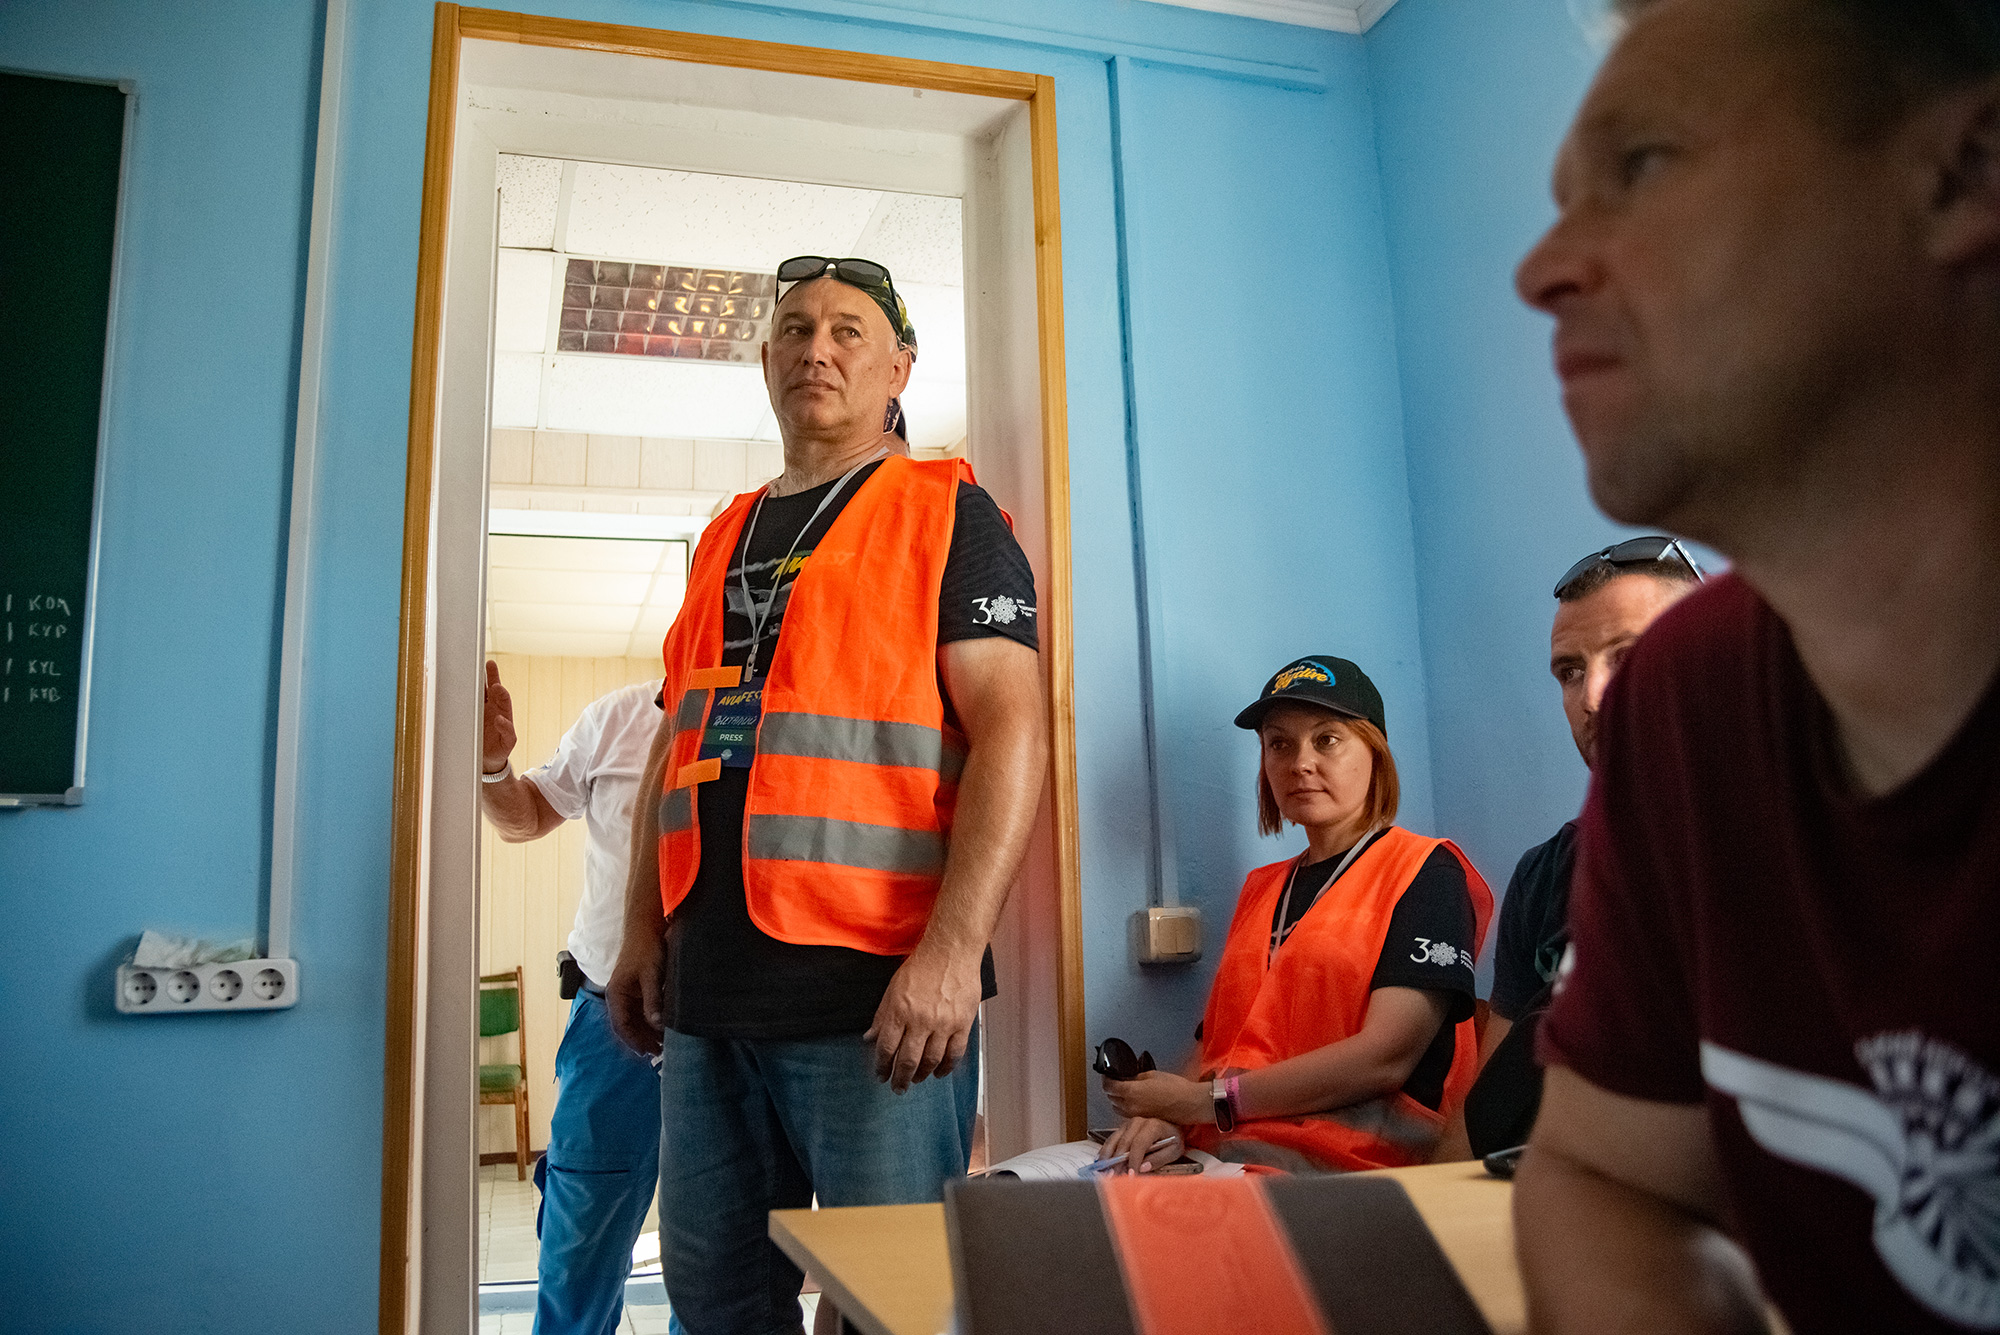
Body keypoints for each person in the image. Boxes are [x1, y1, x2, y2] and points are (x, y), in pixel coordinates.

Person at [1510, 1, 2000, 1330]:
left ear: (1965, 173)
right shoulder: (1687, 701)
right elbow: (1607, 1174)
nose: (1540, 271)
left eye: (1642, 163)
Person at [605, 255, 1047, 1335]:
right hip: (706, 993)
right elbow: (675, 741)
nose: (818, 348)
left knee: (891, 1309)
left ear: (899, 368)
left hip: (874, 998)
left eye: (850, 331)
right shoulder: (721, 534)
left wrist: (952, 954)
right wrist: (639, 931)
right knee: (714, 1301)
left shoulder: (947, 513)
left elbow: (1013, 728)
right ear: (765, 361)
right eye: (796, 329)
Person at [1099, 656, 1493, 1175]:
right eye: (1279, 744)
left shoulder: (1426, 870)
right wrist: (1163, 1117)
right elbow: (1218, 1045)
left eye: (1326, 740)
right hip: (1227, 1153)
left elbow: (1387, 1057)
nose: (1300, 763)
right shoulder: (1262, 887)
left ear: (1375, 752)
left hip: (1354, 1169)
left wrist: (1203, 1103)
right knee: (1038, 1185)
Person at [1455, 537, 1699, 1157]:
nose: (1592, 698)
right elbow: (1485, 1124)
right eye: (1570, 671)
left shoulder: (1794, 844)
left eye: (1629, 656)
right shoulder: (1544, 875)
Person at [478, 663, 664, 1335]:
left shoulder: (781, 713)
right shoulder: (617, 717)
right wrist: (492, 767)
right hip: (611, 1020)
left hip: (738, 1024)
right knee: (580, 1240)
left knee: (724, 1257)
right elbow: (526, 817)